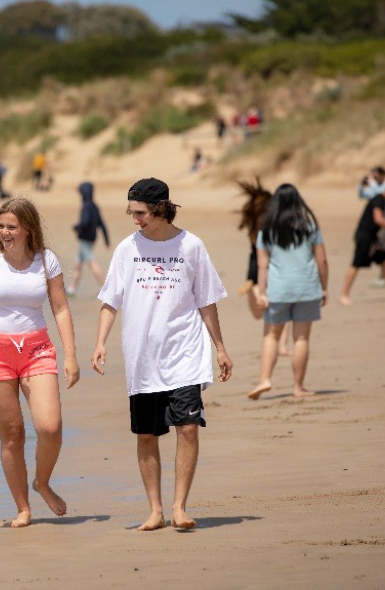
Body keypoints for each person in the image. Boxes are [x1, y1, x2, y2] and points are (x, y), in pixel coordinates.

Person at [92, 178, 232, 531]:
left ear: (159, 209)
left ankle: (179, 507)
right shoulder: (127, 249)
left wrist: (220, 348)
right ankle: (155, 511)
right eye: (131, 212)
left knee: (188, 428)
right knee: (146, 435)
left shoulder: (192, 246)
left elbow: (207, 301)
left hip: (185, 352)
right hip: (142, 357)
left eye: (140, 212)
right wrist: (100, 342)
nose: (134, 219)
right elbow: (110, 300)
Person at [0, 196, 79, 528]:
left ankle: (42, 482)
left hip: (36, 349)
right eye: (1, 226)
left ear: (28, 228)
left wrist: (70, 355)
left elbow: (60, 308)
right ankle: (23, 507)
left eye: (12, 227)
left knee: (50, 427)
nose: (5, 232)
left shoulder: (46, 260)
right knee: (13, 433)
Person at [247, 184, 329, 400]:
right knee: (301, 338)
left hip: (278, 289)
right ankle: (298, 387)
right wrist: (324, 287)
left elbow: (262, 265)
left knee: (271, 335)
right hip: (307, 288)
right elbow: (322, 261)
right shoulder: (310, 226)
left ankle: (264, 379)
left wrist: (262, 293)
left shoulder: (267, 231)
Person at [236, 178, 291, 356]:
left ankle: (254, 289)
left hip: (260, 265)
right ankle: (282, 345)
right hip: (271, 265)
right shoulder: (272, 219)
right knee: (280, 306)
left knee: (266, 309)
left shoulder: (257, 221)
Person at [339, 180, 385, 305]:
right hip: (364, 237)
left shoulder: (382, 200)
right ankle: (344, 295)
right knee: (355, 265)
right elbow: (379, 219)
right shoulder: (379, 200)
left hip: (373, 239)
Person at [67, 181, 110, 296]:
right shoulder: (95, 206)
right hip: (91, 239)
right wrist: (107, 241)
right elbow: (102, 224)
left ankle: (105, 288)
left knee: (91, 263)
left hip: (85, 240)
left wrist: (76, 227)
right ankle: (71, 289)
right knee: (77, 264)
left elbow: (85, 222)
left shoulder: (86, 206)